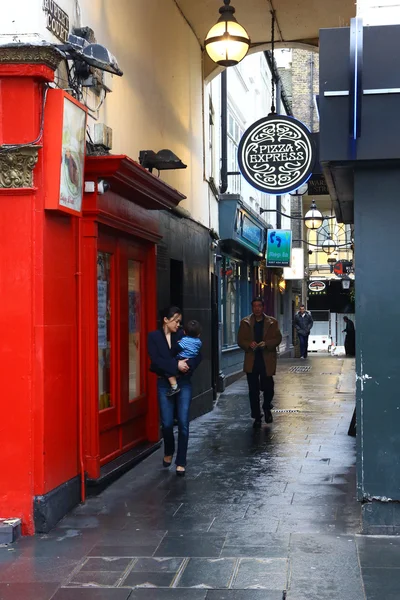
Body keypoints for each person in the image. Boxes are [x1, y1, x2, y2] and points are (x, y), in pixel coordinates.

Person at [148, 307, 202, 476]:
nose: (178, 325)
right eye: (176, 321)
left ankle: (181, 462)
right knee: (167, 423)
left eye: (180, 322)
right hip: (164, 383)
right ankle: (169, 450)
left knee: (184, 424)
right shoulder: (154, 337)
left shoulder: (182, 336)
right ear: (166, 320)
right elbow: (155, 362)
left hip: (184, 382)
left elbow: (197, 355)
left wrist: (188, 366)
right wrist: (175, 365)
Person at [237, 297, 282, 428]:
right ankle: (256, 415)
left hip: (266, 359)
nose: (257, 308)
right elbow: (240, 340)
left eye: (259, 306)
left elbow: (277, 338)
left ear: (263, 308)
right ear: (252, 308)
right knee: (253, 390)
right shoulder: (245, 322)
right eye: (254, 306)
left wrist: (266, 344)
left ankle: (267, 406)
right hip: (252, 360)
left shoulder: (272, 322)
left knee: (268, 387)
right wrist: (248, 344)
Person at [167, 320, 202, 396]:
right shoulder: (199, 342)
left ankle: (174, 386)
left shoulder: (184, 341)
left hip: (181, 357)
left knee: (169, 372)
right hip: (191, 360)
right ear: (199, 334)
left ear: (185, 332)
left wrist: (178, 343)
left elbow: (176, 349)